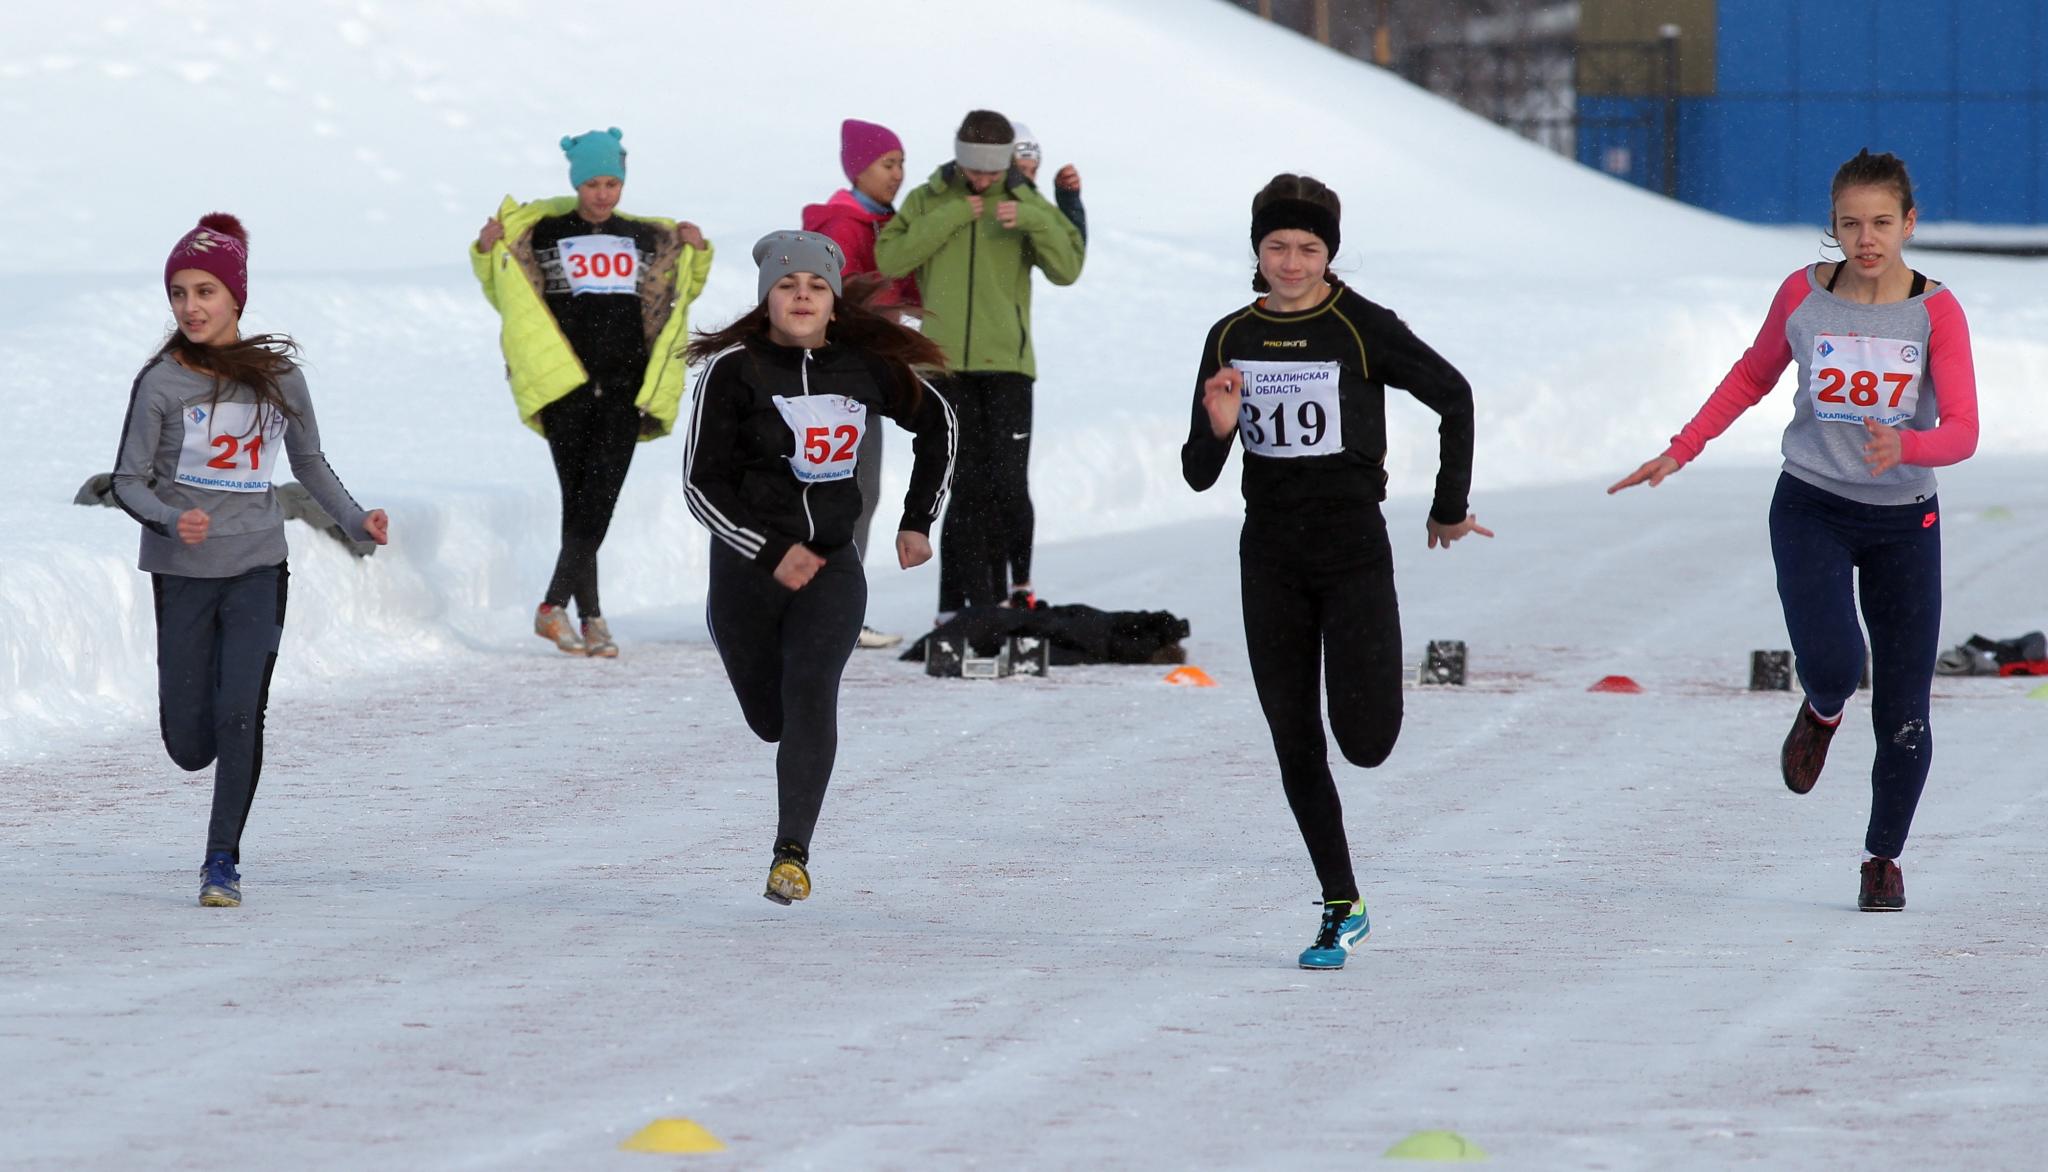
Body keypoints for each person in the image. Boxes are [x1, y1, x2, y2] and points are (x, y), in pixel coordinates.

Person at [1609, 149, 1979, 912]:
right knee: (1839, 663)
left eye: (1881, 223)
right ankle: (1820, 711)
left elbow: (1965, 431)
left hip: (1906, 521)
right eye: (1850, 223)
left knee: (1905, 710)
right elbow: (1753, 375)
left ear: (1909, 223)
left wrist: (1906, 444)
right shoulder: (1802, 296)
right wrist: (1682, 449)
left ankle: (1883, 858)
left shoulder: (1936, 311)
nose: (1866, 238)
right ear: (1833, 227)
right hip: (1810, 504)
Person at [1181, 175, 1488, 970]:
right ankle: (1340, 903)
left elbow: (1454, 396)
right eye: (1277, 246)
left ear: (1330, 253)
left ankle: (1370, 724)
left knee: (1367, 742)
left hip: (1352, 550)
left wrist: (1446, 505)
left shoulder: (1360, 326)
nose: (1291, 262)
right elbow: (1197, 474)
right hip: (1270, 555)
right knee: (1294, 739)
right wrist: (1217, 430)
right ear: (1256, 250)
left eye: (1308, 248)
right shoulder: (1228, 336)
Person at [110, 213, 391, 907]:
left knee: (242, 712)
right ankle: (203, 772)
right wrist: (177, 520)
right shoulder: (161, 384)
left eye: (204, 291)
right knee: (187, 742)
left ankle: (221, 862)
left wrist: (357, 520)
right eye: (178, 293)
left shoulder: (279, 380)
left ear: (236, 297)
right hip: (182, 576)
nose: (190, 306)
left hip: (259, 569)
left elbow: (310, 464)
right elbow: (126, 481)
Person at [682, 231, 957, 904]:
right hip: (750, 570)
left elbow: (942, 424)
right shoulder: (735, 371)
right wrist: (773, 552)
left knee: (811, 693)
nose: (801, 295)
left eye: (814, 286)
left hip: (834, 568)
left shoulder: (863, 367)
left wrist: (918, 520)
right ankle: (744, 654)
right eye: (786, 285)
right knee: (770, 719)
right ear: (767, 299)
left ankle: (792, 853)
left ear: (833, 302)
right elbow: (699, 485)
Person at [472, 127, 713, 658]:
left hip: (629, 387)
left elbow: (681, 288)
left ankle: (557, 606)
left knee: (598, 499)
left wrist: (697, 248)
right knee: (581, 502)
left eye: (612, 183)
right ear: (576, 183)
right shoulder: (545, 232)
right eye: (592, 183)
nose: (603, 194)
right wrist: (488, 251)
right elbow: (508, 293)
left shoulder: (647, 237)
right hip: (567, 386)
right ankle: (590, 617)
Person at [874, 109, 1084, 620]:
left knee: (1009, 483)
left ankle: (1018, 593)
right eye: (977, 170)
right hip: (944, 367)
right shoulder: (930, 198)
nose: (986, 180)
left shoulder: (1022, 201)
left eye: (993, 171)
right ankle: (958, 609)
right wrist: (951, 216)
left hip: (1009, 366)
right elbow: (890, 259)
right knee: (963, 484)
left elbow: (1068, 269)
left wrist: (1034, 217)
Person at [803, 118, 921, 649]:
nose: (898, 175)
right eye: (887, 164)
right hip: (837, 382)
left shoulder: (883, 225)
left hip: (865, 377)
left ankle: (836, 608)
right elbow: (837, 306)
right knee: (846, 495)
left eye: (900, 164)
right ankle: (830, 609)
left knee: (859, 495)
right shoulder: (844, 229)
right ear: (859, 168)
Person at [1010, 123, 1086, 245]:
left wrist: (1069, 201)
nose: (1029, 178)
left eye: (1033, 170)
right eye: (1021, 169)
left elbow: (1069, 256)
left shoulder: (1033, 211)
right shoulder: (976, 204)